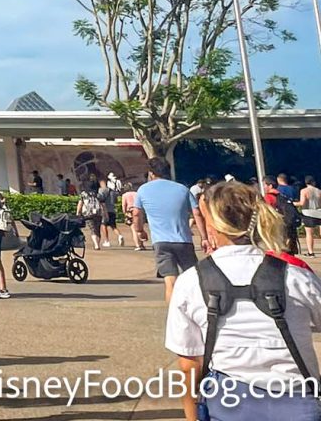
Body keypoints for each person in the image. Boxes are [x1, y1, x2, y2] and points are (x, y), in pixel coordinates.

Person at [166, 180, 321, 420]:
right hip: (296, 398)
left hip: (229, 403)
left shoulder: (190, 282)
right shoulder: (296, 277)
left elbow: (189, 365)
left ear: (213, 225)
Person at [138, 157, 206, 301]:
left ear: (151, 173)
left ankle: (174, 316)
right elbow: (197, 213)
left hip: (160, 242)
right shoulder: (182, 189)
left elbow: (136, 213)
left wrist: (140, 230)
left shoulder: (143, 190)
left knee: (170, 280)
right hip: (184, 241)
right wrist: (204, 237)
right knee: (194, 278)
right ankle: (199, 310)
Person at [77, 185, 105, 250]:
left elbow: (80, 204)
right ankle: (97, 243)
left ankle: (96, 245)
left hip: (88, 214)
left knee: (92, 229)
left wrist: (78, 213)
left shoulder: (84, 194)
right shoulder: (99, 194)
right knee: (97, 229)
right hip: (98, 214)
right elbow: (103, 205)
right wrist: (105, 214)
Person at [300, 177, 321, 258]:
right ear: (314, 182)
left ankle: (311, 252)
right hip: (319, 213)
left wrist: (293, 203)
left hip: (308, 213)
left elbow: (302, 203)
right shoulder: (319, 191)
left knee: (309, 233)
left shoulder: (304, 191)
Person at [122, 183, 147, 250]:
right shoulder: (137, 194)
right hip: (139, 210)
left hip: (130, 211)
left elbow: (124, 205)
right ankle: (142, 244)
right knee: (140, 228)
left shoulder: (125, 195)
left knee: (134, 229)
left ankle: (137, 245)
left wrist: (125, 213)